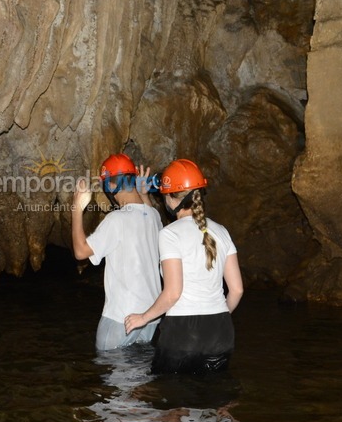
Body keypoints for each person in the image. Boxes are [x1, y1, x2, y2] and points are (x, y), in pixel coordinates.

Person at [124, 159, 244, 374]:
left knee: (173, 401)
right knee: (214, 400)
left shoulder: (170, 234)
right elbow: (237, 290)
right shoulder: (222, 231)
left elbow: (173, 293)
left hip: (183, 332)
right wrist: (219, 316)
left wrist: (142, 318)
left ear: (171, 198)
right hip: (221, 331)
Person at [71, 153, 163, 349]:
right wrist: (144, 194)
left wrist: (76, 208)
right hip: (150, 318)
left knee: (114, 374)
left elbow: (80, 252)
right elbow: (145, 211)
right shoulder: (154, 216)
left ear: (111, 186)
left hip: (121, 318)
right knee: (140, 375)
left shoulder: (117, 220)